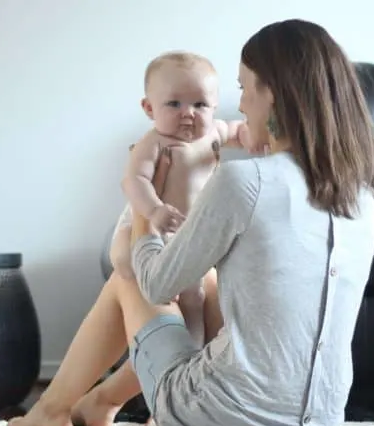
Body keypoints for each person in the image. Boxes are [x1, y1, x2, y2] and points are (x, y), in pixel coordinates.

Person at [8, 18, 374, 426]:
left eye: (244, 87)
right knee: (207, 284)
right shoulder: (365, 196)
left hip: (219, 418)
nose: (240, 104)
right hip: (322, 422)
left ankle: (52, 408)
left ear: (272, 92)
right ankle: (98, 402)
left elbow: (156, 284)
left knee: (129, 277)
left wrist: (144, 210)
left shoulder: (246, 181)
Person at [110, 50, 262, 347]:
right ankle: (143, 306)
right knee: (125, 260)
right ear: (149, 108)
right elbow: (134, 181)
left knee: (194, 295)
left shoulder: (214, 132)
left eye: (200, 104)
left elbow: (236, 130)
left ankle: (191, 350)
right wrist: (154, 210)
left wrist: (248, 136)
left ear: (214, 106)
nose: (188, 113)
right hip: (152, 221)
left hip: (188, 231)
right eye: (174, 104)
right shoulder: (153, 143)